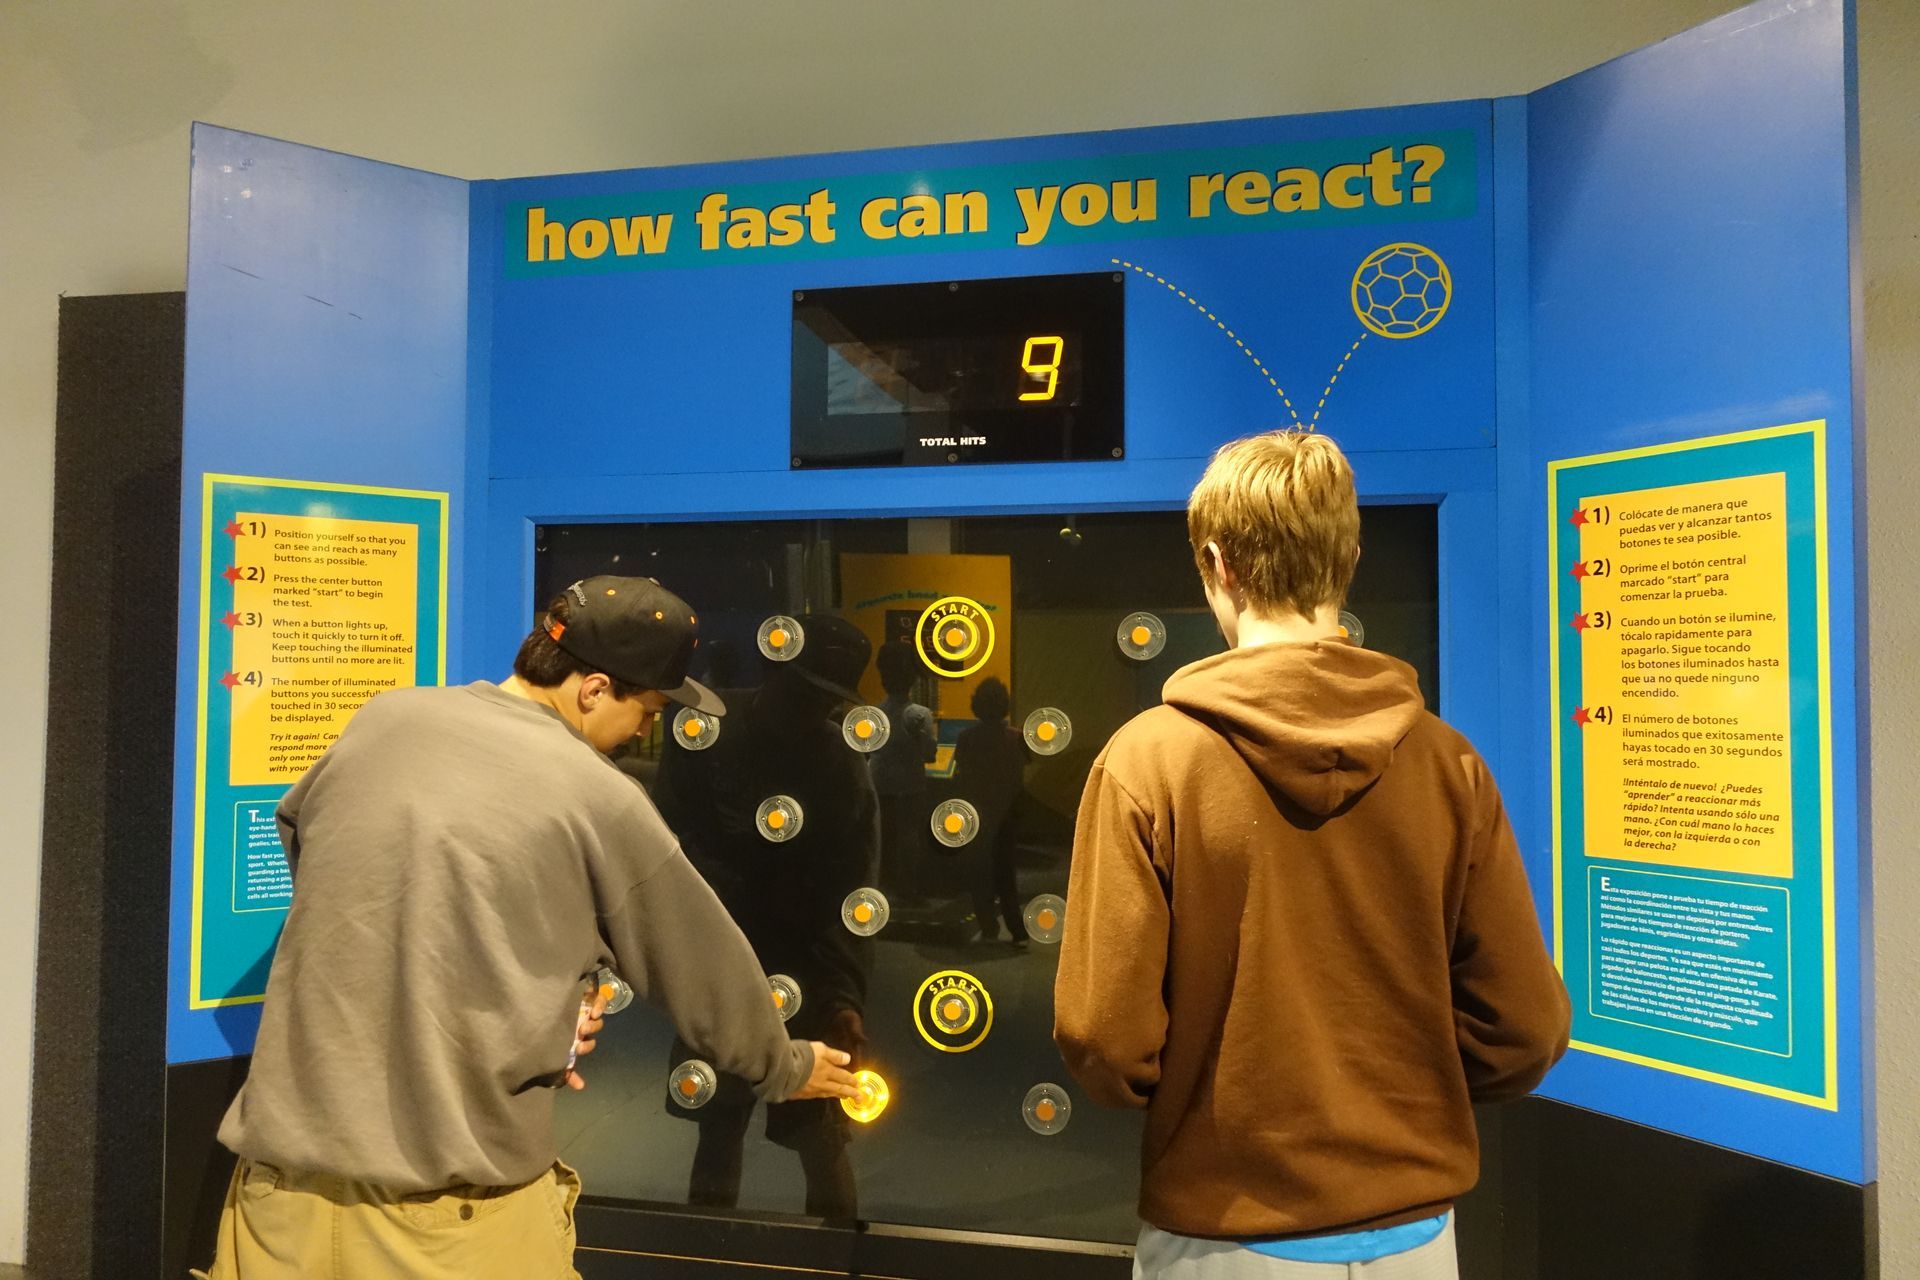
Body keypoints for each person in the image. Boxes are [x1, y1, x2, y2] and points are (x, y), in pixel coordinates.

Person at [197, 577, 858, 1280]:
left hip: (275, 1204)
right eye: (648, 710)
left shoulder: (386, 720)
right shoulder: (597, 794)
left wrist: (536, 998)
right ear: (594, 688)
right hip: (448, 1223)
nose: (644, 732)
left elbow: (317, 845)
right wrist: (784, 1066)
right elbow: (701, 965)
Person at [1054, 431, 1570, 1279]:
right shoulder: (1449, 764)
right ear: (1350, 559)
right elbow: (1527, 1029)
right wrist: (1405, 1096)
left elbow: (1104, 1038)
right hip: (1419, 1240)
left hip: (1223, 1233)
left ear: (1216, 564)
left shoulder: (1147, 763)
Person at [651, 614, 879, 1219]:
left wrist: (843, 999)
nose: (813, 711)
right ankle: (707, 1257)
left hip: (799, 970)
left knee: (820, 1135)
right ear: (776, 672)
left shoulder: (838, 765)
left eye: (824, 700)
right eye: (807, 692)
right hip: (719, 968)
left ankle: (837, 1262)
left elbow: (850, 890)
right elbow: (663, 845)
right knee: (722, 1126)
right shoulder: (710, 733)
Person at [951, 676, 1027, 946]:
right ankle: (1018, 932)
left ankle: (989, 928)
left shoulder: (966, 738)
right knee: (1007, 874)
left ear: (977, 706)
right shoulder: (1017, 738)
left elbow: (962, 776)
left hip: (978, 814)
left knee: (979, 873)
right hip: (1006, 814)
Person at [869, 639, 938, 898]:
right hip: (910, 784)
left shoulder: (875, 713)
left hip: (880, 781)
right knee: (910, 839)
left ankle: (884, 890)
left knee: (884, 839)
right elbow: (929, 754)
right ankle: (908, 890)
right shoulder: (920, 714)